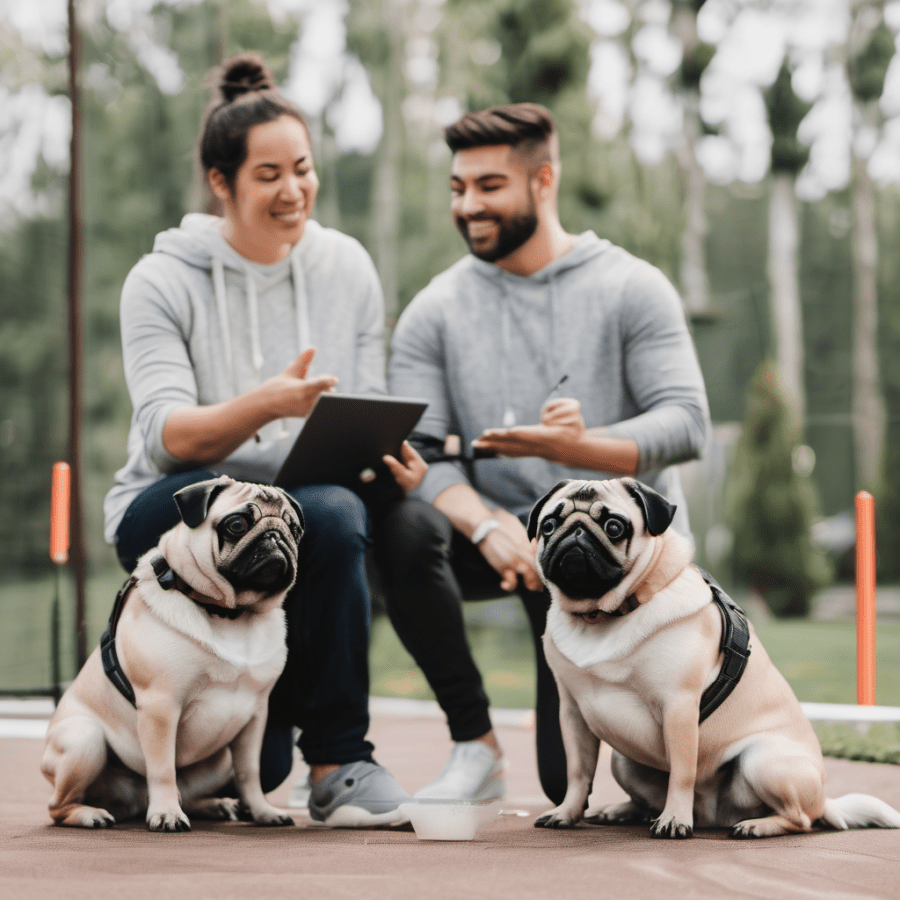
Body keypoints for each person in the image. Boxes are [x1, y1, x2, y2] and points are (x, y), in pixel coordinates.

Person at [102, 52, 425, 828]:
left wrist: (389, 449)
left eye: (304, 169)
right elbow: (168, 433)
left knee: (349, 511)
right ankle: (315, 748)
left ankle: (337, 761)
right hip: (173, 507)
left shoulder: (345, 265)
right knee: (328, 514)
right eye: (269, 175)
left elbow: (368, 394)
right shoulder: (161, 280)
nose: (294, 191)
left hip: (308, 499)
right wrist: (264, 404)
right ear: (222, 183)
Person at [379, 103, 710, 805]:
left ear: (544, 180)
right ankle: (474, 745)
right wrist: (488, 527)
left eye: (489, 186)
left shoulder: (633, 287)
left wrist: (581, 448)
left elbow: (688, 423)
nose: (468, 205)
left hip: (621, 557)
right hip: (506, 543)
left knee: (584, 787)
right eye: (458, 187)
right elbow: (420, 456)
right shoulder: (432, 311)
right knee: (401, 526)